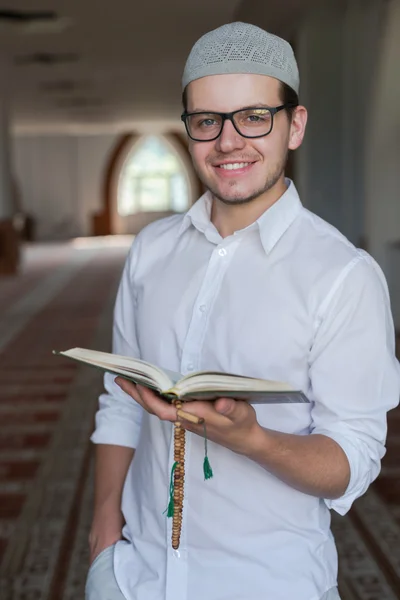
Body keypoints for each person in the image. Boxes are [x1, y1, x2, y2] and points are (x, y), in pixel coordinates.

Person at [85, 22, 400, 600]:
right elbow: (119, 402)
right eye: (207, 121)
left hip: (270, 585)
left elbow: (353, 457)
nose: (228, 141)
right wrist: (105, 535)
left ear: (294, 125)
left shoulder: (343, 277)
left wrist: (253, 439)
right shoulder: (152, 250)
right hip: (136, 579)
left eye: (254, 116)